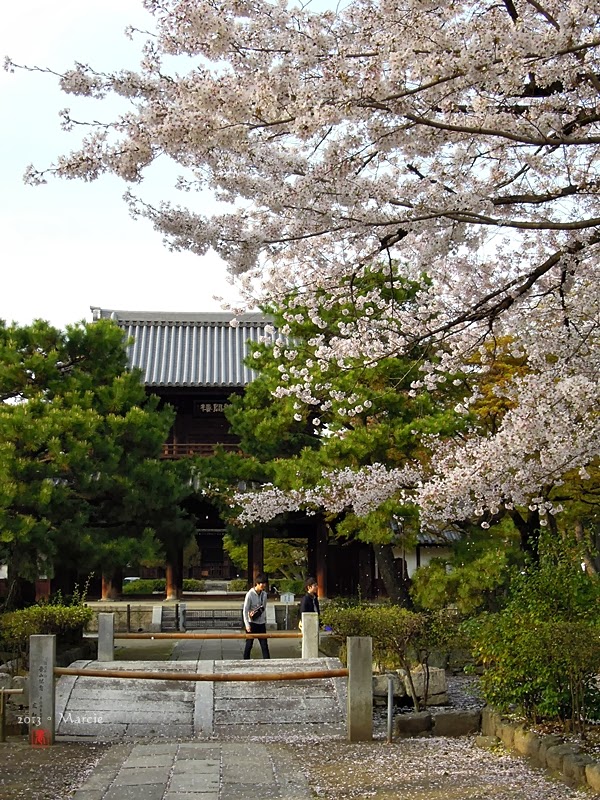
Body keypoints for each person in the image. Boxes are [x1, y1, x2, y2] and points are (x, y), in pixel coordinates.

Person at [242, 574, 270, 659]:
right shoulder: (250, 594)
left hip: (261, 622)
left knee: (264, 645)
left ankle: (268, 662)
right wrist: (247, 625)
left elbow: (263, 607)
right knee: (249, 644)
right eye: (262, 583)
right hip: (252, 623)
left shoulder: (264, 594)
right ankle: (245, 661)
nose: (263, 585)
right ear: (257, 583)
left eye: (265, 583)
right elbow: (245, 610)